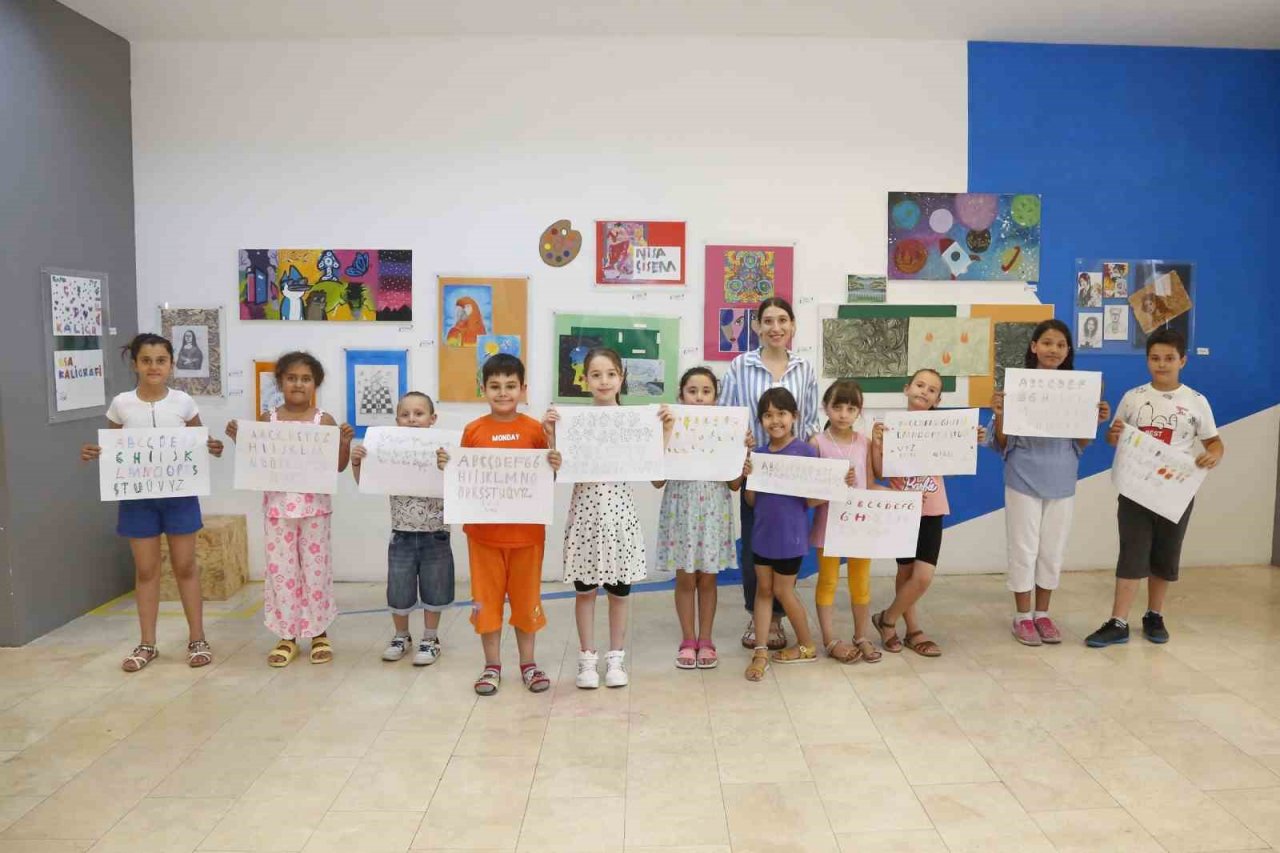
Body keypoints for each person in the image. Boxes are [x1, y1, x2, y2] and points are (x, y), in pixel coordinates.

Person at [80, 333, 224, 671]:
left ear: (171, 364)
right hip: (137, 500)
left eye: (161, 360)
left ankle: (197, 639)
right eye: (146, 360)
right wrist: (94, 453)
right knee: (146, 571)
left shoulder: (184, 403)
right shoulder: (121, 404)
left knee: (186, 567)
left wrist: (212, 447)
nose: (153, 366)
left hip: (179, 497)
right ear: (135, 364)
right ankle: (147, 643)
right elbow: (114, 452)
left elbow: (200, 443)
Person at [1086, 328, 1223, 647]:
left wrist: (1212, 456)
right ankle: (1118, 621)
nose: (1161, 365)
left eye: (1169, 358)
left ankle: (1154, 615)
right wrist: (1114, 434)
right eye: (1155, 358)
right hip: (1135, 490)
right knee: (1132, 552)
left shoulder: (1196, 401)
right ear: (1147, 360)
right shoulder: (1134, 397)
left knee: (1165, 553)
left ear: (1183, 360)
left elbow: (1214, 442)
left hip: (1177, 491)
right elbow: (1113, 437)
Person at [544, 348, 671, 689]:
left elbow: (657, 475)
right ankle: (587, 658)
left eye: (610, 374)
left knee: (619, 593)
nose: (603, 381)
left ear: (621, 378)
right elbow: (557, 474)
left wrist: (665, 433)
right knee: (585, 592)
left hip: (620, 516)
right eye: (596, 374)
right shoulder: (572, 424)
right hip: (585, 515)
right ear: (584, 380)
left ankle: (616, 658)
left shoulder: (636, 422)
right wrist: (552, 439)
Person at [438, 353, 561, 695]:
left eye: (510, 386)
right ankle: (491, 666)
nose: (503, 393)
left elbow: (547, 480)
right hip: (483, 537)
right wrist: (446, 465)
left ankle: (528, 664)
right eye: (495, 386)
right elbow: (462, 478)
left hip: (527, 536)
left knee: (525, 601)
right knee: (485, 602)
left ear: (523, 389)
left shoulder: (536, 430)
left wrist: (554, 459)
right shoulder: (473, 430)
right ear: (483, 389)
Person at [225, 351, 354, 667]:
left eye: (306, 379)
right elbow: (256, 464)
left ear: (315, 385)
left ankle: (319, 631)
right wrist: (240, 441)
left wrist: (344, 443)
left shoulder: (322, 420)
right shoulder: (267, 420)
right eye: (292, 378)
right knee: (282, 572)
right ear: (280, 381)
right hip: (278, 509)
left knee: (316, 570)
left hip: (314, 509)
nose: (299, 384)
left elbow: (336, 468)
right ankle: (287, 634)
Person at [988, 320, 1110, 646]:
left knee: (1052, 550)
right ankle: (1022, 616)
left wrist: (1093, 420)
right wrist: (1000, 412)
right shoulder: (1017, 386)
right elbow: (1001, 443)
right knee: (1023, 549)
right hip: (1022, 475)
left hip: (1062, 477)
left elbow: (1081, 444)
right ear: (1033, 346)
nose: (1053, 349)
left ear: (1068, 351)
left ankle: (1042, 614)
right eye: (1047, 343)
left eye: (1060, 344)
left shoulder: (1078, 390)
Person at [719, 296, 820, 652]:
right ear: (757, 327)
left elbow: (809, 422)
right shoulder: (739, 366)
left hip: (793, 470)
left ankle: (782, 609)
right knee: (755, 543)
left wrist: (817, 468)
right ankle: (762, 615)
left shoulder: (805, 368)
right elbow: (726, 414)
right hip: (755, 468)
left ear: (792, 325)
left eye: (783, 320)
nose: (776, 328)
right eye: (768, 321)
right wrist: (737, 441)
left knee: (787, 539)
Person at [871, 369, 986, 657]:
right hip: (903, 508)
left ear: (938, 399)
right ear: (906, 388)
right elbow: (877, 471)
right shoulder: (889, 427)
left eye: (932, 389)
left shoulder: (943, 426)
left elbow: (960, 453)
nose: (924, 391)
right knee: (906, 571)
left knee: (923, 576)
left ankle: (886, 619)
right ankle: (912, 630)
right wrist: (876, 442)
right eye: (919, 385)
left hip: (933, 507)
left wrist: (972, 437)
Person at [351, 392, 454, 665]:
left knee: (436, 587)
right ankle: (401, 635)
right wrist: (357, 462)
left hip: (437, 533)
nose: (412, 419)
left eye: (419, 414)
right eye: (405, 415)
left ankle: (430, 638)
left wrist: (450, 466)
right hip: (402, 533)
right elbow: (367, 482)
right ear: (397, 420)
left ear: (432, 419)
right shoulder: (387, 451)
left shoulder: (444, 450)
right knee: (399, 588)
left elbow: (459, 485)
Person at [653, 367, 742, 670]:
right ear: (681, 395)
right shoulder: (668, 427)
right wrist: (664, 435)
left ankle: (706, 639)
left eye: (706, 391)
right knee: (685, 578)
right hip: (681, 511)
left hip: (714, 511)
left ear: (716, 397)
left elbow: (734, 484)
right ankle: (687, 639)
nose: (699, 397)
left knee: (708, 578)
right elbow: (656, 481)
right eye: (692, 391)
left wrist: (745, 454)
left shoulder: (727, 429)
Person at [742, 387, 822, 681]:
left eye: (781, 414)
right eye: (768, 415)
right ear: (761, 419)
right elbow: (752, 502)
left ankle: (807, 645)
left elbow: (814, 499)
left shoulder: (805, 452)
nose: (775, 420)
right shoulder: (759, 454)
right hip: (763, 534)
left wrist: (840, 483)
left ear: (794, 417)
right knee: (764, 590)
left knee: (783, 591)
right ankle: (760, 649)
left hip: (791, 536)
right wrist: (750, 477)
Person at [809, 379, 879, 664]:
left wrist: (905, 499)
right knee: (827, 580)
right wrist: (834, 484)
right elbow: (810, 490)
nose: (843, 414)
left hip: (860, 525)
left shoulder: (865, 443)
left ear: (858, 412)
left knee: (860, 581)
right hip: (828, 524)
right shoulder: (816, 442)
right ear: (826, 407)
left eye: (851, 408)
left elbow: (871, 483)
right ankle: (829, 638)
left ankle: (861, 635)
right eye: (837, 407)